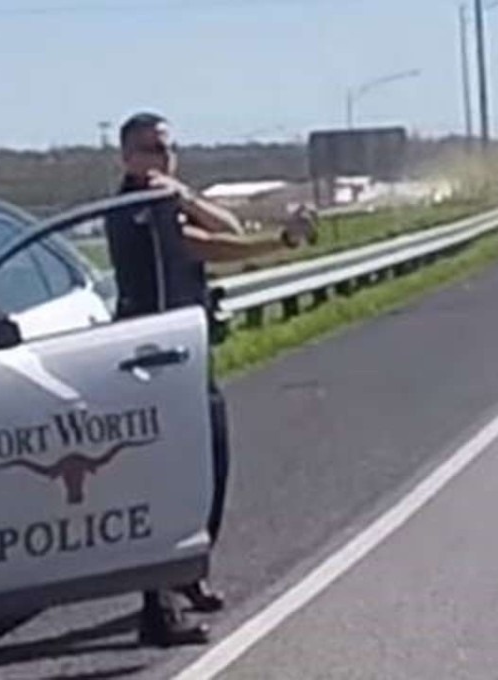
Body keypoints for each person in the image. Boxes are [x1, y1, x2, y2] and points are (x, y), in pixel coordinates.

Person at [106, 112, 313, 646]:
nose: (163, 158)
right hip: (154, 360)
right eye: (151, 149)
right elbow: (210, 246)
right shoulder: (136, 207)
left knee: (211, 466)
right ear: (128, 158)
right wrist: (281, 244)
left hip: (188, 352)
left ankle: (189, 574)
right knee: (170, 479)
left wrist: (186, 193)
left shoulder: (165, 198)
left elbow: (227, 224)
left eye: (168, 148)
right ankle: (160, 607)